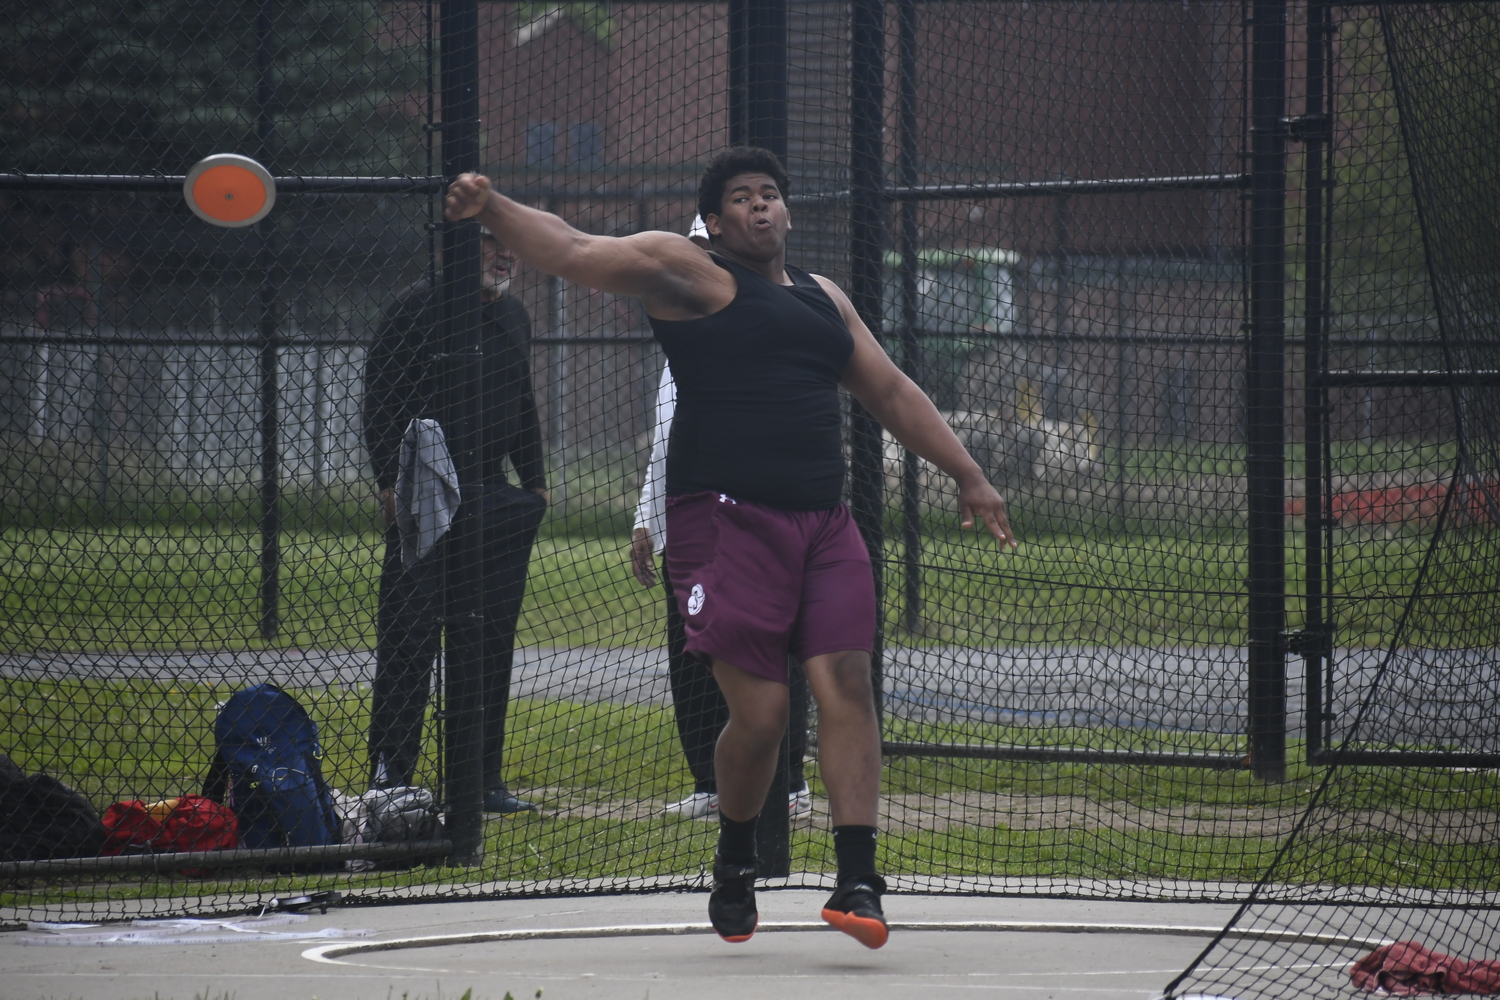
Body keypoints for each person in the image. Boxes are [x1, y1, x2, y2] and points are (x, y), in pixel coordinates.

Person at [444, 147, 1016, 948]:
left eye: (770, 195)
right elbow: (574, 249)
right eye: (741, 199)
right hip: (725, 520)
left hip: (824, 523)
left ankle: (858, 878)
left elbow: (889, 389)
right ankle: (737, 854)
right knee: (765, 714)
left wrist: (968, 472)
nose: (759, 207)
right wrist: (493, 207)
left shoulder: (825, 299)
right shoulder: (691, 272)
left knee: (846, 679)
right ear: (713, 221)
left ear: (787, 212)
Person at [363, 227, 549, 815]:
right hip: (428, 497)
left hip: (495, 498)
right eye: (491, 241)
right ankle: (391, 775)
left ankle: (479, 780)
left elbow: (522, 403)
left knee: (488, 643)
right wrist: (389, 481)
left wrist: (537, 484)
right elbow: (381, 395)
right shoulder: (416, 307)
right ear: (454, 248)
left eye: (511, 243)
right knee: (409, 638)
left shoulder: (515, 316)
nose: (505, 253)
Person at [633, 354, 812, 823]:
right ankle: (710, 785)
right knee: (692, 653)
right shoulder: (680, 347)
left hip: (756, 524)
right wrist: (646, 523)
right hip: (689, 529)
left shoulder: (762, 335)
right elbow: (665, 441)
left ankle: (787, 784)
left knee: (771, 649)